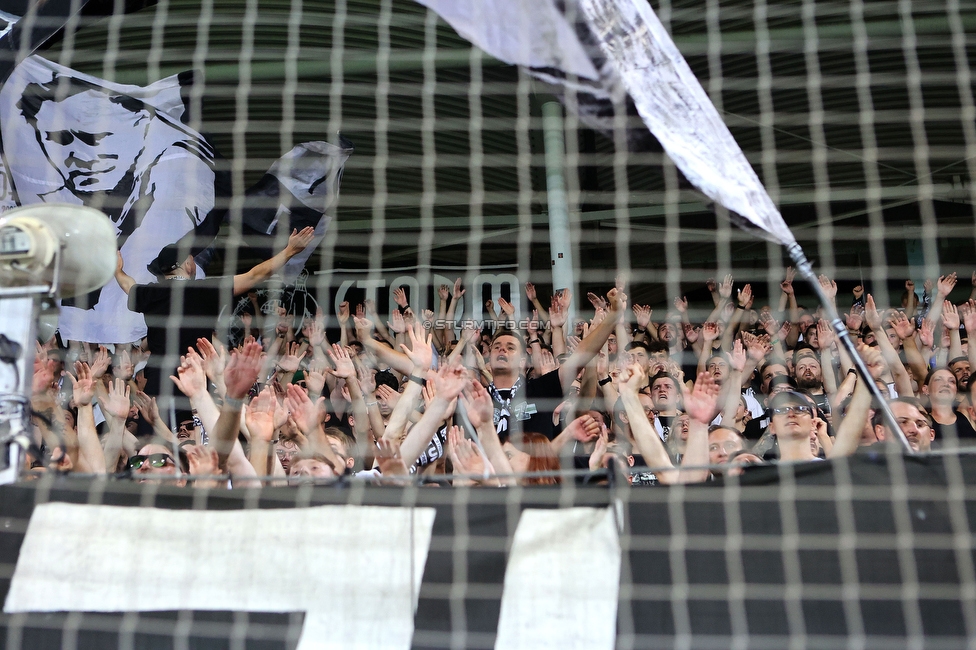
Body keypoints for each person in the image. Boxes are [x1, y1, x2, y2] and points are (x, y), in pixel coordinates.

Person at [113, 226, 315, 397]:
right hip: (196, 377)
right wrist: (289, 251)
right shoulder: (204, 290)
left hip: (159, 381)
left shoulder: (149, 293)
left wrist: (117, 270)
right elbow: (255, 275)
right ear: (187, 263)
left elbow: (127, 284)